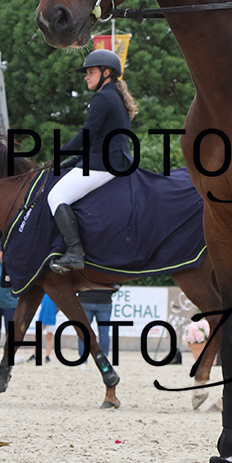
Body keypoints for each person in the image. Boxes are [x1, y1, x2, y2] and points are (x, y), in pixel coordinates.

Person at [47, 49, 138, 273]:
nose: (86, 77)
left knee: (56, 196)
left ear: (106, 72)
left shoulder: (102, 97)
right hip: (110, 159)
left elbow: (85, 136)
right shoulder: (113, 96)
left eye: (91, 72)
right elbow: (97, 141)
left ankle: (75, 252)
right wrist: (68, 162)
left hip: (105, 164)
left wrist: (60, 154)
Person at [76, 288, 116, 359]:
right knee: (104, 333)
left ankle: (83, 359)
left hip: (85, 299)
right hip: (104, 300)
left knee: (83, 332)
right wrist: (109, 292)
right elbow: (117, 283)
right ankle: (103, 358)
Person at [28, 294, 58, 362]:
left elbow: (58, 308)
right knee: (37, 336)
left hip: (50, 318)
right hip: (42, 317)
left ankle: (47, 355)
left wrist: (54, 313)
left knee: (49, 337)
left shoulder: (56, 295)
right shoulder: (44, 294)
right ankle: (35, 354)